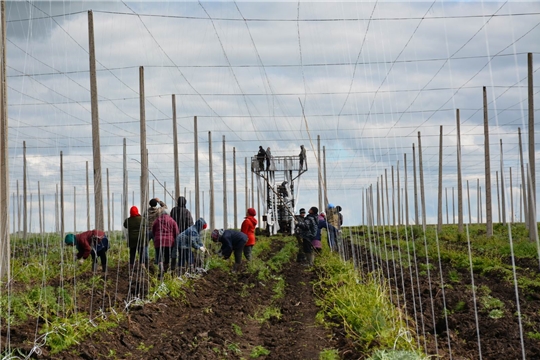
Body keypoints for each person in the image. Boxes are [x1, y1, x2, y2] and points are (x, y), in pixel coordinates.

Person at [152, 209, 179, 279]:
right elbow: (176, 232)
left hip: (159, 241)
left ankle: (161, 266)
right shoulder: (172, 220)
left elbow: (153, 229)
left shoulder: (157, 220)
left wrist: (156, 237)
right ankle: (165, 271)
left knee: (159, 255)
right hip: (169, 242)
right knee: (167, 256)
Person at [123, 206, 147, 272]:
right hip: (141, 238)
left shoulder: (128, 220)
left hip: (132, 239)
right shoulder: (142, 219)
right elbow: (146, 224)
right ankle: (142, 265)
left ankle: (131, 266)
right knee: (141, 252)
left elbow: (125, 225)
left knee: (132, 253)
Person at [144, 197, 168, 265]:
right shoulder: (159, 211)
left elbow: (143, 218)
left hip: (147, 230)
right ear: (156, 204)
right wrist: (159, 201)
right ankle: (157, 260)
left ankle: (146, 260)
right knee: (157, 246)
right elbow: (165, 207)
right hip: (156, 231)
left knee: (145, 245)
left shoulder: (146, 211)